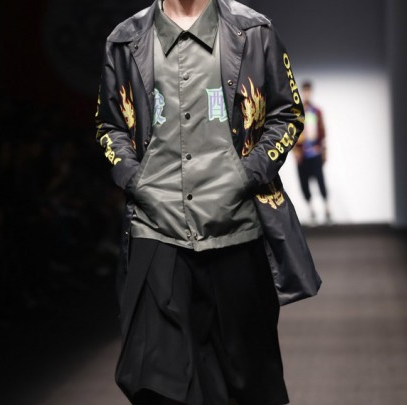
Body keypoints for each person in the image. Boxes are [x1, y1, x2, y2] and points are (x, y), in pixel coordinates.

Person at [95, 1, 321, 404]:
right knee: (155, 378)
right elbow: (109, 124)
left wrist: (247, 174)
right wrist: (135, 179)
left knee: (244, 382)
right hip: (156, 226)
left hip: (236, 225)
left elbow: (288, 115)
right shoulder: (126, 40)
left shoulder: (253, 32)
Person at [294, 81, 330, 223]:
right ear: (302, 92)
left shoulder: (316, 111)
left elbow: (323, 132)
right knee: (304, 183)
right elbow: (293, 134)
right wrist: (295, 152)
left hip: (315, 154)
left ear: (311, 92)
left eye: (309, 91)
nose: (307, 94)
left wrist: (324, 151)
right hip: (303, 155)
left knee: (320, 181)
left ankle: (327, 209)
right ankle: (311, 210)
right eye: (305, 91)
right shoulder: (297, 113)